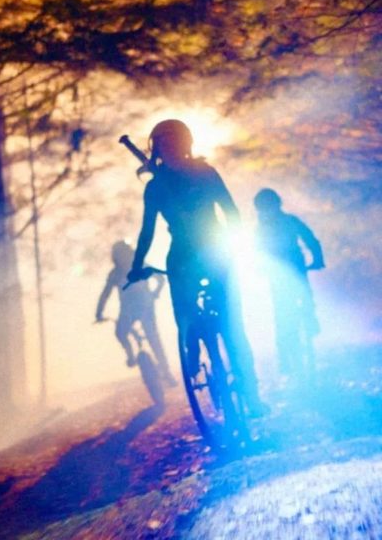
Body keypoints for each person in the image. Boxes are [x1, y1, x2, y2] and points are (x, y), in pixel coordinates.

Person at [127, 119, 268, 417]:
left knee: (227, 325)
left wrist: (137, 267)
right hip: (200, 255)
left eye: (174, 143)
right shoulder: (192, 177)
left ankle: (199, 351)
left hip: (200, 255)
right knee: (226, 325)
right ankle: (245, 392)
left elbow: (148, 232)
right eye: (167, 144)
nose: (172, 149)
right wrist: (136, 264)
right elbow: (230, 213)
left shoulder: (168, 183)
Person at [253, 188, 325, 378]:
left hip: (280, 273)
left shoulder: (260, 229)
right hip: (294, 268)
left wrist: (259, 269)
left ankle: (285, 358)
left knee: (282, 313)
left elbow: (255, 253)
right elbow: (311, 239)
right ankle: (310, 322)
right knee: (300, 299)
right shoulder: (289, 221)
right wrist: (318, 260)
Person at [95, 240, 176, 386]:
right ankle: (162, 370)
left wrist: (99, 313)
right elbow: (160, 279)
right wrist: (155, 294)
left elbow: (105, 294)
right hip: (138, 308)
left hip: (139, 309)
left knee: (141, 336)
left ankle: (156, 367)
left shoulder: (124, 270)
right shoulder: (130, 268)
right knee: (145, 336)